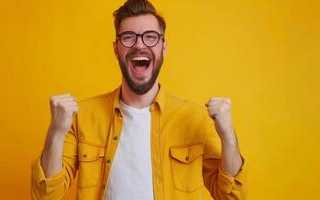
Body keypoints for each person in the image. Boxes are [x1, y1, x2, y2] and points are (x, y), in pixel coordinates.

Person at [31, 0, 248, 199]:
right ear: (116, 49)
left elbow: (231, 197)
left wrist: (228, 137)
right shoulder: (82, 116)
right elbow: (45, 196)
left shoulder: (196, 118)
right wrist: (56, 132)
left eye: (150, 36)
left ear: (163, 47)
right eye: (128, 37)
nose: (139, 45)